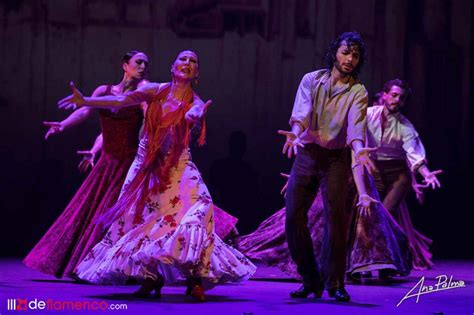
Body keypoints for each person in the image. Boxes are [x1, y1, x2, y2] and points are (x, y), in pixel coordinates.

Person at [59, 50, 256, 301]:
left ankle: (195, 276)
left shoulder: (195, 101)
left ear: (196, 73)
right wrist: (87, 100)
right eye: (183, 59)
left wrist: (194, 115)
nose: (187, 63)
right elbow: (121, 101)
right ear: (173, 66)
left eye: (193, 61)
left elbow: (194, 113)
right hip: (146, 164)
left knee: (196, 214)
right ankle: (151, 278)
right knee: (141, 221)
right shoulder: (155, 90)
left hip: (178, 166)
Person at [24, 51, 149, 278]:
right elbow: (87, 114)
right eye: (138, 62)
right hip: (107, 163)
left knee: (113, 214)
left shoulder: (142, 93)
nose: (143, 66)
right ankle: (83, 264)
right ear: (125, 65)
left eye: (145, 63)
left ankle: (112, 268)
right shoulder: (104, 91)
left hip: (128, 164)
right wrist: (65, 127)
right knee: (86, 212)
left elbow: (142, 129)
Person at [277, 31, 377, 302]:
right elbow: (302, 112)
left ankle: (334, 282)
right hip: (307, 153)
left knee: (336, 220)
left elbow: (356, 130)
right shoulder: (312, 79)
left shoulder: (358, 91)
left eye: (355, 55)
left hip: (335, 159)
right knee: (293, 218)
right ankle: (311, 279)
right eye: (346, 52)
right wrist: (296, 133)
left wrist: (359, 151)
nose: (350, 59)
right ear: (335, 52)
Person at [367, 79, 442, 270]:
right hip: (372, 169)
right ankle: (368, 261)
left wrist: (426, 174)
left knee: (383, 214)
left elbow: (414, 155)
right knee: (366, 215)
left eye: (401, 97)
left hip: (398, 175)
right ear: (384, 95)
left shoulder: (406, 126)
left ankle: (386, 262)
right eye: (393, 95)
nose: (396, 100)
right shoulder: (368, 115)